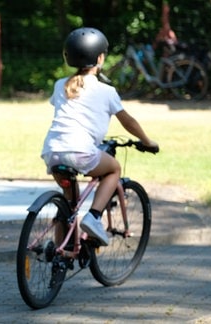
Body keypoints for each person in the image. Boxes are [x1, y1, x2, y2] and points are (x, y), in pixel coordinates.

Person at [41, 27, 159, 246]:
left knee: (68, 204)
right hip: (80, 151)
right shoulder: (106, 91)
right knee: (113, 168)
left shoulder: (60, 86)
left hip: (52, 152)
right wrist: (147, 141)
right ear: (100, 57)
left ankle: (61, 254)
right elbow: (128, 121)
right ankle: (94, 217)